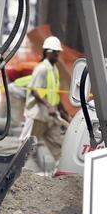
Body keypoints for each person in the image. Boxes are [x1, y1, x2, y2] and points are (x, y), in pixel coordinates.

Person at [22, 36, 70, 175]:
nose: (57, 55)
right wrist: (48, 106)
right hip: (37, 114)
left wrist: (63, 111)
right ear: (47, 52)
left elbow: (54, 93)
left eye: (57, 52)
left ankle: (59, 173)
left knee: (58, 145)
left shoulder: (53, 69)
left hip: (50, 117)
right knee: (27, 146)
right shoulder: (42, 69)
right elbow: (35, 90)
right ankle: (19, 174)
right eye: (55, 52)